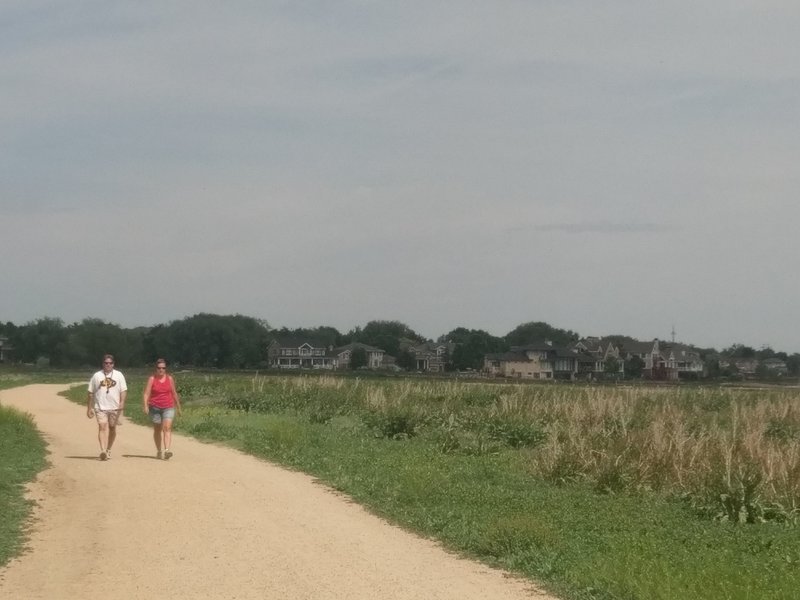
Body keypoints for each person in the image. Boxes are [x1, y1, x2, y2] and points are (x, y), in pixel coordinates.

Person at [87, 354, 128, 461]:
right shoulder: (96, 376)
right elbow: (90, 392)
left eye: (110, 363)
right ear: (103, 364)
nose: (108, 365)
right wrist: (89, 408)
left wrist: (122, 402)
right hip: (100, 407)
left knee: (112, 428)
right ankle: (103, 450)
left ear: (113, 364)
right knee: (102, 427)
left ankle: (109, 449)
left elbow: (123, 390)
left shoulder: (119, 375)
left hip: (115, 407)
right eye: (106, 363)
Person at [142, 358, 181, 460]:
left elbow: (174, 393)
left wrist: (178, 407)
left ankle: (167, 450)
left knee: (167, 427)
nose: (161, 370)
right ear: (156, 368)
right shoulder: (152, 379)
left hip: (168, 406)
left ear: (165, 369)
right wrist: (145, 405)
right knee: (157, 429)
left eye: (163, 368)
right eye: (159, 368)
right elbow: (146, 393)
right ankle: (159, 450)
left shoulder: (170, 379)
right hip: (155, 407)